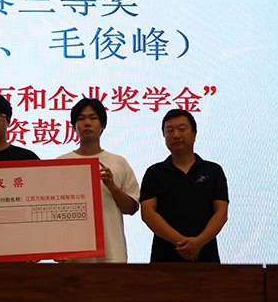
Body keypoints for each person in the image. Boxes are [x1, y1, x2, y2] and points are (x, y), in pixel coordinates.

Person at [56, 98, 139, 263]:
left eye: (93, 118)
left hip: (112, 252)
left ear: (103, 125)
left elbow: (131, 208)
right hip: (73, 254)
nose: (87, 123)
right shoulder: (61, 163)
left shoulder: (118, 162)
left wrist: (112, 187)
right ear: (74, 126)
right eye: (81, 119)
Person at [140, 109, 229, 262]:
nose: (176, 135)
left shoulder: (213, 171)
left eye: (182, 129)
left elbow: (221, 212)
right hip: (164, 257)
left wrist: (198, 242)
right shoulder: (154, 172)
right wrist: (181, 242)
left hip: (206, 254)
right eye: (169, 131)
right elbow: (148, 213)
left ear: (194, 134)